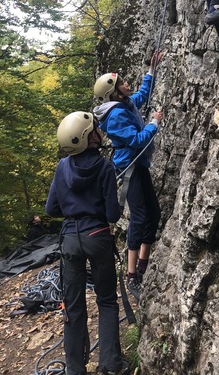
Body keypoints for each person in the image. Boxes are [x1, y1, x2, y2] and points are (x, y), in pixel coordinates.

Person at [45, 111, 128, 375]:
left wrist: (73, 209)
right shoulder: (104, 167)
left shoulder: (62, 167)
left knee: (73, 304)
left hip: (70, 239)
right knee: (106, 300)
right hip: (97, 236)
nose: (100, 131)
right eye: (95, 129)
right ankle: (111, 365)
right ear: (89, 137)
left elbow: (51, 209)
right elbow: (112, 215)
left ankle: (74, 369)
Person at [93, 53, 163, 301]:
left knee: (154, 214)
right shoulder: (115, 116)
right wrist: (154, 123)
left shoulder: (123, 105)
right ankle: (132, 275)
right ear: (114, 93)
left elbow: (142, 96)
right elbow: (136, 141)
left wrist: (151, 71)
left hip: (138, 166)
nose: (127, 84)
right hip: (131, 168)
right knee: (140, 217)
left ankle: (142, 264)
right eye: (122, 83)